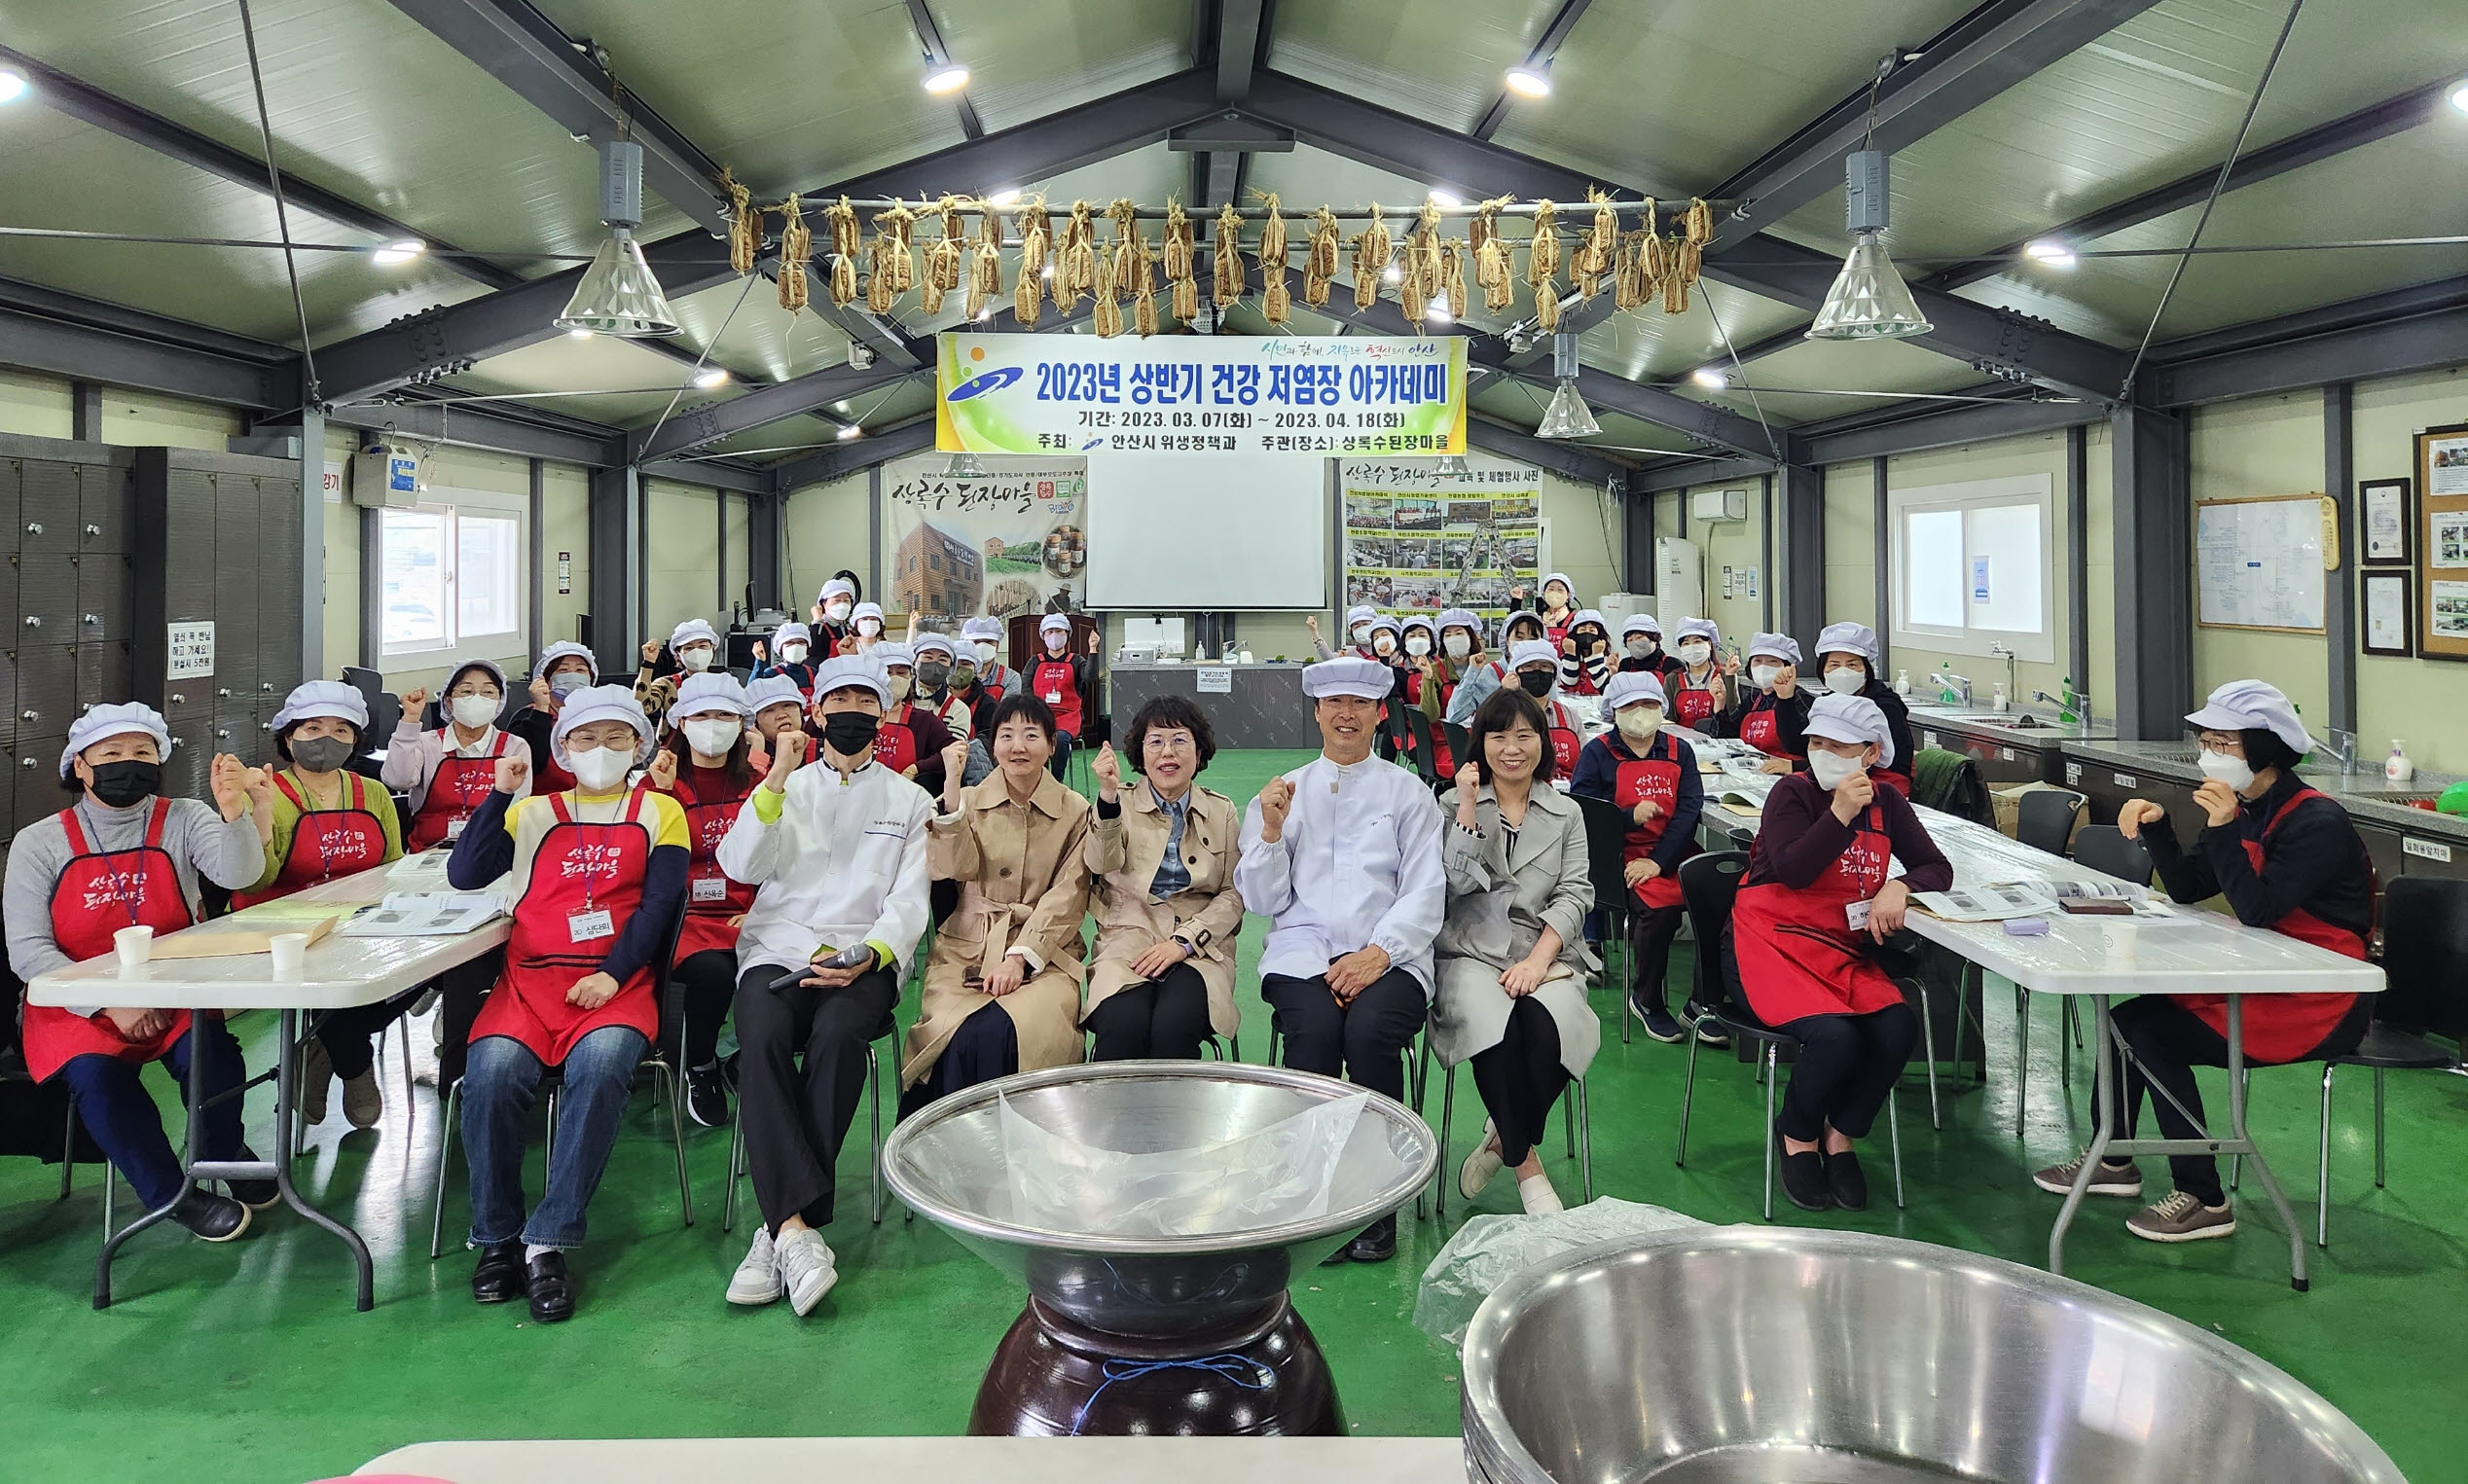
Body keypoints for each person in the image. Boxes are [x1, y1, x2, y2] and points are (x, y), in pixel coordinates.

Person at [2033, 679, 2375, 1244]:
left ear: (2264, 749)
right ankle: (2112, 1157)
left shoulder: (2316, 822)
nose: (2209, 754)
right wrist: (2159, 828)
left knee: (2151, 1035)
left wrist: (2221, 829)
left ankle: (2203, 1196)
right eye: (2207, 741)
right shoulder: (2245, 806)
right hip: (2264, 971)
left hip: (2322, 993)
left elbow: (2259, 910)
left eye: (2224, 743)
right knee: (2127, 1022)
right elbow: (2191, 887)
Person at [447, 685, 688, 1322]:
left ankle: (547, 1239)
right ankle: (496, 1234)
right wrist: (502, 791)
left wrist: (611, 974)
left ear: (639, 743)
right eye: (586, 737)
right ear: (564, 745)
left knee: (603, 1065)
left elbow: (660, 906)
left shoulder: (660, 811)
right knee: (491, 1075)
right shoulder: (533, 812)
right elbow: (465, 874)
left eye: (616, 737)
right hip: (527, 986)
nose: (601, 749)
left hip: (616, 988)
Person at [4, 706, 274, 1241]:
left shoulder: (185, 817)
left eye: (143, 753)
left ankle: (222, 1152)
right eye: (111, 754)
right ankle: (169, 1194)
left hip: (172, 987)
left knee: (212, 1053)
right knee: (98, 1081)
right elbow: (28, 952)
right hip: (75, 1001)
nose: (128, 764)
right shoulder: (39, 843)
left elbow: (242, 872)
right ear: (80, 766)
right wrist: (109, 1004)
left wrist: (235, 813)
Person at [717, 654, 934, 1316]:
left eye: (864, 703)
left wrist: (869, 953)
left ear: (882, 715)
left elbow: (908, 900)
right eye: (837, 701)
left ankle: (775, 1228)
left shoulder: (909, 800)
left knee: (841, 1034)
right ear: (816, 713)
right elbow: (739, 862)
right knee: (759, 1035)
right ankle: (796, 1231)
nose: (851, 714)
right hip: (777, 948)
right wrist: (776, 777)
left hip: (861, 958)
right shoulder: (786, 787)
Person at [1237, 657, 1444, 1264]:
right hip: (1302, 951)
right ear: (1318, 712)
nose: (1346, 715)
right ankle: (1313, 1197)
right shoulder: (1284, 792)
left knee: (1373, 1032)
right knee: (1316, 1030)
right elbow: (1261, 899)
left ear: (1379, 713)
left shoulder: (1408, 793)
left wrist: (1379, 953)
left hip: (1393, 953)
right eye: (1334, 704)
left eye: (1359, 703)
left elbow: (1426, 888)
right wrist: (1271, 833)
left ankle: (1377, 1198)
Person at [1724, 694, 1950, 1213]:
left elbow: (1937, 868)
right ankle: (1797, 1136)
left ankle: (1841, 1132)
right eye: (1816, 742)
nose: (1823, 752)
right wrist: (1841, 812)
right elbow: (1794, 870)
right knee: (1835, 1037)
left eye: (1838, 745)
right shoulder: (1792, 793)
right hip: (1769, 943)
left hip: (1838, 949)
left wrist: (1900, 888)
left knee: (1898, 1029)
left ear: (1870, 754)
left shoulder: (1888, 803)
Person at [1434, 688, 1597, 1215]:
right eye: (1498, 735)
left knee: (1553, 1036)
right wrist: (1463, 806)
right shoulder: (1451, 802)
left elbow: (1577, 893)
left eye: (1525, 735)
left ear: (1542, 742)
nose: (1512, 748)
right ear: (1479, 742)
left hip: (1546, 949)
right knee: (1494, 1030)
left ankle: (1504, 1136)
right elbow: (1452, 887)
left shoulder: (1566, 812)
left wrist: (1538, 961)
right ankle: (1527, 1168)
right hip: (1471, 949)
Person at [902, 694, 1094, 1107]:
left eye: (1031, 735)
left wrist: (1021, 957)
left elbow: (1070, 893)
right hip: (967, 944)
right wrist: (952, 788)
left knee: (1009, 1029)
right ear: (993, 747)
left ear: (1050, 745)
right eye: (1006, 735)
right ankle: (948, 1150)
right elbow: (953, 869)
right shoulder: (967, 801)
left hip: (1046, 952)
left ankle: (1025, 1145)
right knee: (956, 1034)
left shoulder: (1076, 810)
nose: (1018, 746)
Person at [243, 682, 408, 1130]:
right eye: (313, 727)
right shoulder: (265, 793)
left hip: (361, 928)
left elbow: (392, 868)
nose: (326, 739)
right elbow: (254, 879)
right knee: (335, 988)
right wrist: (254, 813)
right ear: (288, 736)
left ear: (356, 739)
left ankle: (320, 1049)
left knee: (436, 969)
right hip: (287, 935)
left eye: (341, 730)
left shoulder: (372, 793)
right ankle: (354, 1067)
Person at [1083, 700, 1246, 1061]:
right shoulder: (1117, 802)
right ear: (1140, 753)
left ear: (1199, 749)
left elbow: (1234, 893)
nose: (1167, 752)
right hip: (1126, 935)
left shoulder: (1222, 811)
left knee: (1175, 1026)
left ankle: (1175, 1118)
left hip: (1200, 944)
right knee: (1123, 1025)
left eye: (1179, 740)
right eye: (1155, 741)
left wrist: (1185, 942)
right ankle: (1114, 1118)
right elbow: (1099, 863)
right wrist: (1107, 798)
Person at [644, 672, 759, 1128]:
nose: (713, 725)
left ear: (741, 724)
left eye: (724, 715)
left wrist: (758, 911)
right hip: (684, 918)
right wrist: (659, 789)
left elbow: (781, 855)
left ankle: (746, 1059)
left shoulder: (761, 782)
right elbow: (641, 846)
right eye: (702, 716)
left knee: (772, 970)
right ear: (681, 721)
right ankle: (702, 1065)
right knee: (715, 971)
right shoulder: (664, 780)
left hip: (749, 912)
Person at [1570, 672, 1708, 1044]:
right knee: (1658, 911)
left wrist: (1660, 861)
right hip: (1618, 856)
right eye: (1630, 705)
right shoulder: (1598, 752)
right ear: (1613, 711)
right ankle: (1647, 997)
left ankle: (1703, 1002)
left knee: (1722, 901)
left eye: (1649, 704)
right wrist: (1628, 816)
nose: (1641, 713)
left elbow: (1689, 810)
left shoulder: (1681, 751)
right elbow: (1585, 814)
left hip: (1672, 852)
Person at [387, 658, 533, 851]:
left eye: (488, 692)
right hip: (428, 851)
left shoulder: (514, 747)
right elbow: (398, 780)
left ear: (499, 701)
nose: (477, 698)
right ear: (449, 701)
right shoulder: (426, 743)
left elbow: (516, 809)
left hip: (489, 851)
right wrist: (410, 721)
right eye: (466, 691)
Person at [1812, 622, 1913, 794]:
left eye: (1852, 665)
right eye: (1834, 665)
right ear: (1823, 670)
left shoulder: (1885, 705)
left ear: (1866, 669)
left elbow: (1898, 760)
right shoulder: (1827, 704)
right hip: (1838, 781)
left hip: (1881, 785)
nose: (1843, 672)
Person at [868, 642, 961, 796]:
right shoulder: (856, 716)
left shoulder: (924, 721)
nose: (894, 678)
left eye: (901, 672)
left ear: (911, 677)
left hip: (906, 799)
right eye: (887, 672)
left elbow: (954, 749)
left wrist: (916, 768)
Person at [511, 641, 599, 796]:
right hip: (543, 804)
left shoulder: (600, 717)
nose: (573, 676)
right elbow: (528, 765)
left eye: (580, 670)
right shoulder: (528, 716)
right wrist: (541, 709)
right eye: (563, 670)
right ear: (545, 680)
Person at [1415, 606, 1486, 778]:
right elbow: (1430, 715)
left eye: (1459, 633)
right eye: (1448, 635)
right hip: (1447, 744)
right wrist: (1428, 677)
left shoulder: (1485, 669)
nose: (1454, 639)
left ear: (1471, 637)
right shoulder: (1435, 670)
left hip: (1482, 741)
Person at [1026, 613, 1097, 780]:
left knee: (1060, 739)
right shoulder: (1035, 661)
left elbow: (1090, 677)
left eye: (1059, 631)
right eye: (1049, 632)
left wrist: (1093, 650)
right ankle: (1039, 779)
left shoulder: (1076, 660)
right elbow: (1026, 690)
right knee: (1036, 739)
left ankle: (1056, 781)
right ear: (1043, 636)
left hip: (1068, 716)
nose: (1054, 635)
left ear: (1067, 635)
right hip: (1040, 715)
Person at [1726, 633, 1811, 773]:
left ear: (1788, 667)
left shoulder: (1801, 699)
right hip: (1755, 770)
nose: (1763, 667)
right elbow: (1729, 733)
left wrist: (1785, 699)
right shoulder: (1754, 699)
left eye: (1772, 662)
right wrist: (1720, 704)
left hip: (1788, 774)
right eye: (1757, 661)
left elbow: (1805, 748)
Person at [1445, 610, 1545, 727]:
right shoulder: (1489, 675)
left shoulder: (1545, 674)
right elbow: (1455, 715)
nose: (1525, 644)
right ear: (1507, 640)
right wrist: (1473, 672)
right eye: (1519, 637)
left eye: (1533, 639)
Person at [1503, 639, 1583, 779]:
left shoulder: (1570, 717)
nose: (1537, 671)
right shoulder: (1500, 714)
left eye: (1545, 666)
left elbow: (1585, 764)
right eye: (1528, 666)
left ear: (1554, 674)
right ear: (1514, 673)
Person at [1665, 619, 1731, 734]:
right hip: (1682, 741)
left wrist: (1731, 677)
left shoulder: (1723, 675)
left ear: (1709, 644)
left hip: (1716, 741)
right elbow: (1668, 718)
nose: (1692, 647)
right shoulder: (1672, 679)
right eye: (1686, 643)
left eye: (1697, 642)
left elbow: (1733, 714)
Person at [910, 633, 976, 743]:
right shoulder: (897, 701)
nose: (934, 664)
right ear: (915, 661)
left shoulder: (958, 710)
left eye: (942, 660)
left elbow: (952, 752)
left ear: (951, 668)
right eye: (928, 657)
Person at [749, 621, 821, 700]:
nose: (796, 646)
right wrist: (760, 662)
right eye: (789, 642)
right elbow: (752, 693)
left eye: (801, 642)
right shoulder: (772, 674)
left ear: (807, 648)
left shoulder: (814, 674)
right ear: (781, 649)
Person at [1516, 572, 1579, 650]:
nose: (1555, 593)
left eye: (1560, 590)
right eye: (1551, 589)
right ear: (1544, 593)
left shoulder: (1575, 619)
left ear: (1568, 595)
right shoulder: (1537, 617)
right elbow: (1515, 626)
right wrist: (1516, 600)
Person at [1557, 609, 1613, 698]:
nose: (1587, 633)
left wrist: (1596, 656)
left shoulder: (1607, 659)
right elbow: (1569, 682)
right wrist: (1570, 654)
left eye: (1592, 631)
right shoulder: (1565, 658)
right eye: (1582, 630)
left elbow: (1602, 686)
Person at [1618, 613, 1684, 688]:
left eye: (1639, 638)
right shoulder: (1625, 665)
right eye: (1630, 640)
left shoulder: (1672, 664)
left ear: (1655, 639)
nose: (1635, 643)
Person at [960, 615, 1016, 700]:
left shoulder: (1010, 678)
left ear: (997, 646)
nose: (982, 646)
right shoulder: (956, 675)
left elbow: (1007, 711)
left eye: (989, 642)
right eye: (976, 642)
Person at [1307, 603, 1381, 661]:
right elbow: (1330, 659)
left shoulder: (1387, 650)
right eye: (1356, 626)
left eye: (1365, 624)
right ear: (1351, 632)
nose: (1362, 628)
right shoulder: (1348, 655)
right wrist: (1314, 632)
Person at [811, 575, 859, 653]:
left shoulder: (848, 629)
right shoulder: (819, 628)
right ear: (824, 603)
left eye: (846, 600)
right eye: (837, 600)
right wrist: (817, 622)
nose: (842, 605)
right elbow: (812, 650)